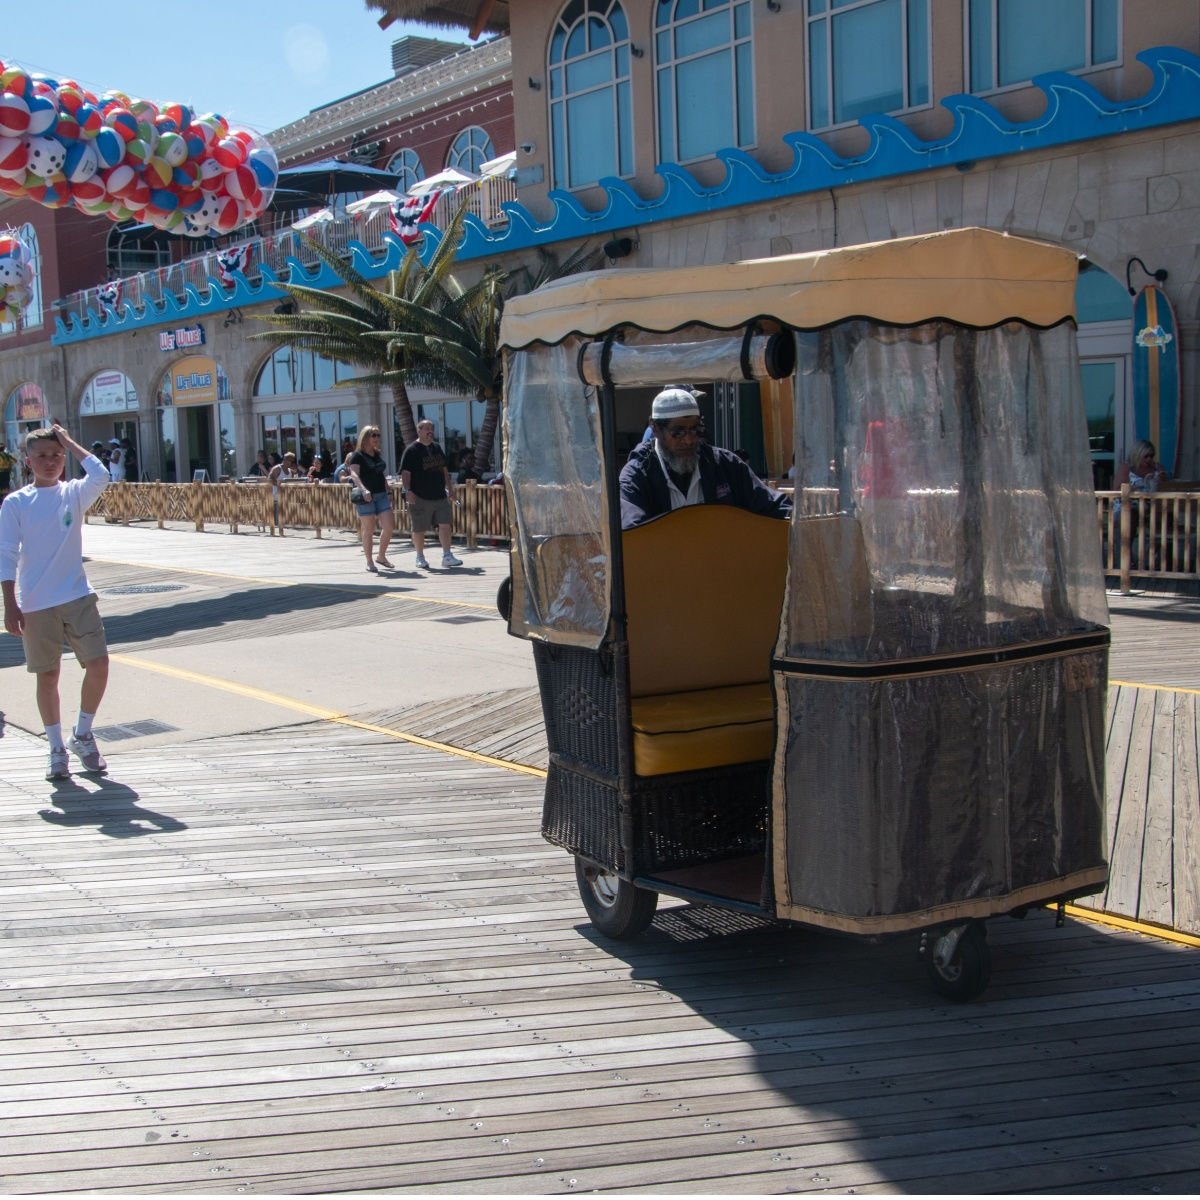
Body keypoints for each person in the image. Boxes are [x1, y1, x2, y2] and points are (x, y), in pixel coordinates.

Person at [0, 425, 112, 780]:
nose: (51, 462)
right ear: (27, 461)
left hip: (77, 595)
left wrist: (68, 441)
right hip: (35, 603)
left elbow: (101, 473)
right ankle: (55, 749)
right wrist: (10, 604)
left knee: (98, 664)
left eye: (56, 455)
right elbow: (6, 554)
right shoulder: (16, 502)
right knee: (47, 675)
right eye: (43, 456)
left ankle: (82, 734)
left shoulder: (74, 493)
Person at [619, 386, 792, 528]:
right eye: (678, 433)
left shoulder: (725, 465)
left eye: (694, 429)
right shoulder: (637, 476)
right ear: (656, 429)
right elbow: (634, 533)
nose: (689, 440)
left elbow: (774, 506)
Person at [400, 418, 462, 569]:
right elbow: (406, 473)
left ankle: (447, 555)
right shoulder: (411, 450)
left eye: (431, 428)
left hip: (439, 495)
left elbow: (444, 470)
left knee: (445, 524)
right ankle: (420, 557)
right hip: (420, 496)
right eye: (426, 428)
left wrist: (451, 489)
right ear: (419, 431)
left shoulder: (436, 448)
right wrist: (408, 491)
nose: (430, 431)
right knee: (419, 528)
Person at [348, 426, 394, 572]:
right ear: (365, 437)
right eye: (373, 435)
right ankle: (369, 561)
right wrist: (363, 489)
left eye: (378, 435)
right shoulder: (358, 455)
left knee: (389, 526)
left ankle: (381, 556)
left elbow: (380, 473)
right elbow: (354, 474)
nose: (376, 438)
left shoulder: (377, 454)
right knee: (369, 529)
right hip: (366, 496)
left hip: (381, 494)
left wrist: (388, 490)